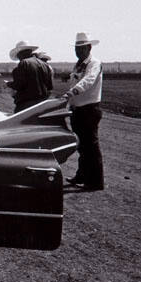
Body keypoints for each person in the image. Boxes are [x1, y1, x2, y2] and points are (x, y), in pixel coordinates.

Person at [62, 32, 104, 191]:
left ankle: (95, 182)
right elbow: (77, 77)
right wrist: (69, 78)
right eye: (76, 49)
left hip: (89, 109)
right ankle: (82, 175)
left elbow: (89, 80)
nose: (78, 51)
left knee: (91, 146)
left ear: (89, 47)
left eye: (81, 48)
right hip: (78, 110)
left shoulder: (94, 63)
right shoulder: (79, 64)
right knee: (82, 146)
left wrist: (73, 91)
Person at [6, 40, 53, 113]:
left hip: (26, 104)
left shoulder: (24, 63)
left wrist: (9, 84)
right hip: (42, 103)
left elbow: (19, 85)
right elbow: (50, 87)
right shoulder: (45, 64)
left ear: (20, 53)